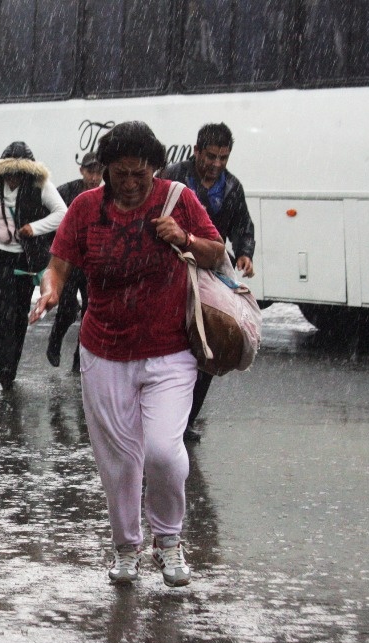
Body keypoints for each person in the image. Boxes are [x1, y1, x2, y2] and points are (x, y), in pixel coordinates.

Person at [29, 121, 225, 587]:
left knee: (163, 451)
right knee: (118, 461)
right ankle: (126, 547)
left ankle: (170, 539)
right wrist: (51, 292)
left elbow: (216, 252)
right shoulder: (85, 208)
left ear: (154, 168)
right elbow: (58, 265)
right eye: (121, 174)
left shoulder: (178, 198)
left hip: (169, 350)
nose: (132, 183)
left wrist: (185, 239)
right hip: (104, 350)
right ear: (106, 170)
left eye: (140, 173)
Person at [160, 122, 256, 443]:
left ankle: (186, 421)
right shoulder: (173, 177)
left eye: (223, 158)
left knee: (208, 345)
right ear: (196, 151)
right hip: (173, 271)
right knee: (173, 346)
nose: (216, 164)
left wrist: (244, 253)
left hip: (210, 272)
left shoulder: (231, 187)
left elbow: (243, 224)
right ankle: (163, 418)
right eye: (210, 156)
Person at [0, 141, 66, 390]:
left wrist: (35, 228)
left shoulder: (39, 186)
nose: (13, 176)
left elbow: (61, 213)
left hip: (26, 258)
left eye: (19, 172)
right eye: (9, 171)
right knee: (4, 311)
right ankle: (5, 365)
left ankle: (13, 361)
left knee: (20, 311)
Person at [47, 151, 103, 371]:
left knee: (91, 312)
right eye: (91, 172)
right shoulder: (65, 192)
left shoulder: (108, 195)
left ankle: (80, 359)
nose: (94, 178)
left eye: (99, 172)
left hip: (94, 263)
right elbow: (49, 218)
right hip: (70, 261)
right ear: (82, 171)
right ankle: (55, 340)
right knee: (68, 307)